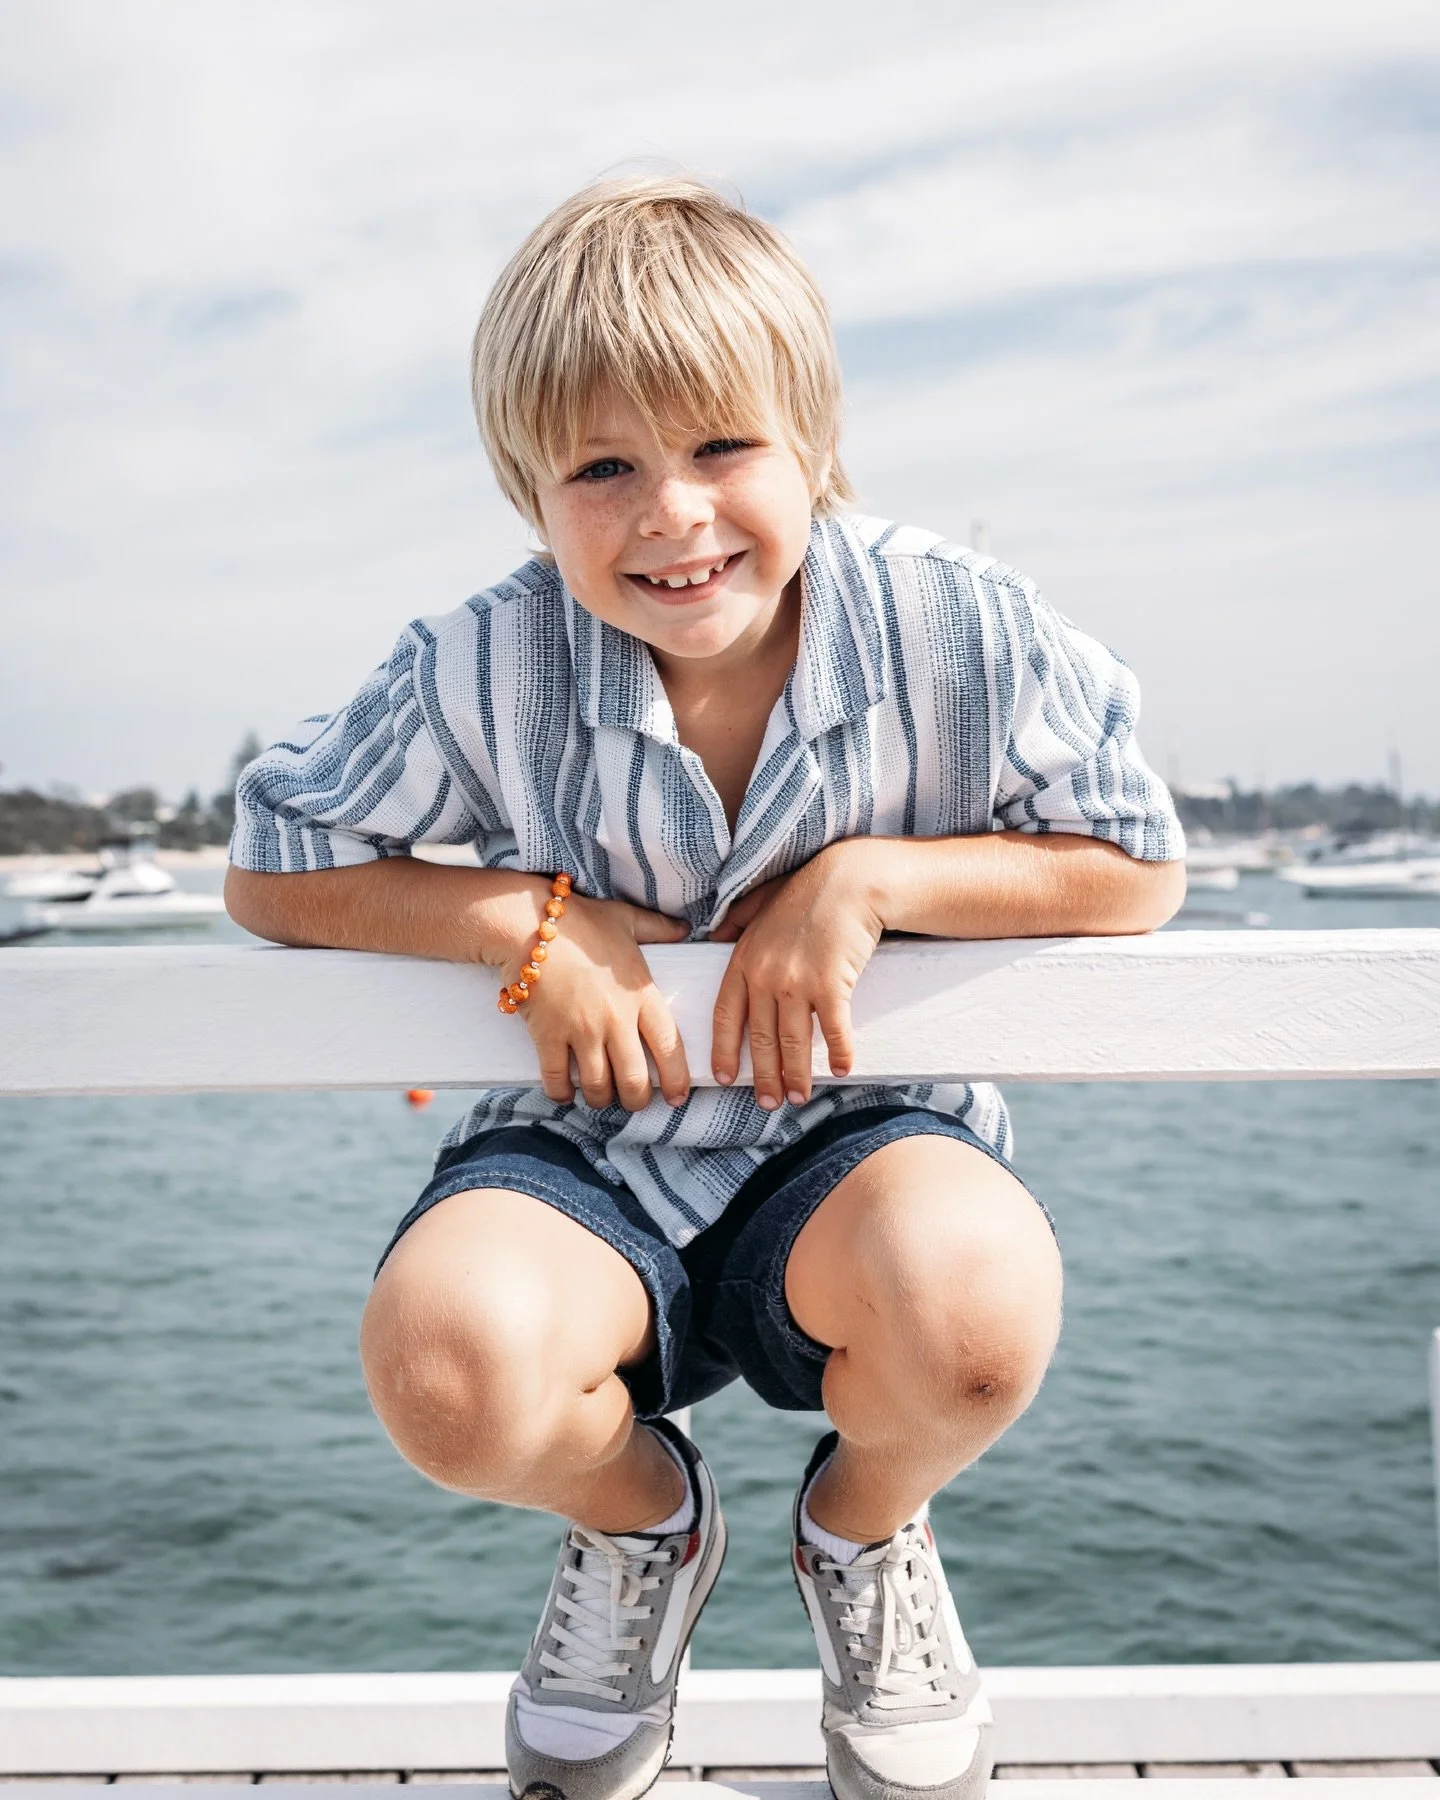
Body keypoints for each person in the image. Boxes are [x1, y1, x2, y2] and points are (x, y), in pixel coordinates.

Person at [225, 174, 1186, 1800]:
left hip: (864, 1140)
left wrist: (871, 879)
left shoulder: (956, 622)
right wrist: (524, 921)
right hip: (585, 1143)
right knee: (450, 1377)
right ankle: (641, 1523)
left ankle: (864, 1529)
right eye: (602, 468)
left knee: (970, 1321)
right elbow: (274, 866)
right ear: (530, 494)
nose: (673, 515)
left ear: (815, 442)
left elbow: (1134, 860)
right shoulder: (481, 661)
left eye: (723, 446)